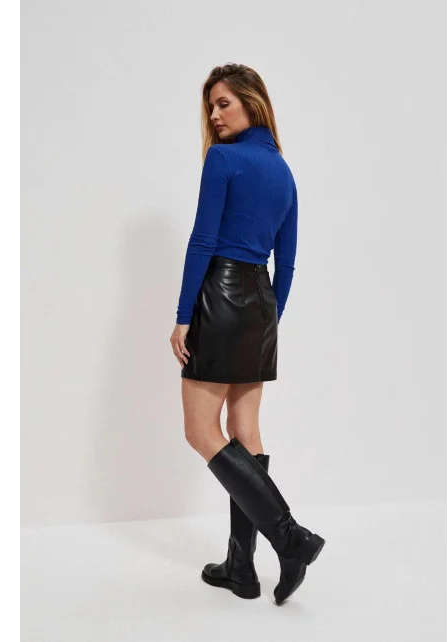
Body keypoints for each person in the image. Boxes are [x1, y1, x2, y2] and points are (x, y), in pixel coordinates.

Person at [169, 64, 325, 605]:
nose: (214, 116)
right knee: (245, 431)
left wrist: (184, 314)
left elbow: (202, 239)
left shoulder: (223, 159)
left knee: (200, 430)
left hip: (221, 292)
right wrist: (268, 318)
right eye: (210, 107)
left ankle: (290, 537)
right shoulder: (284, 171)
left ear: (251, 103)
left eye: (224, 103)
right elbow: (289, 262)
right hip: (261, 301)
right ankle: (241, 567)